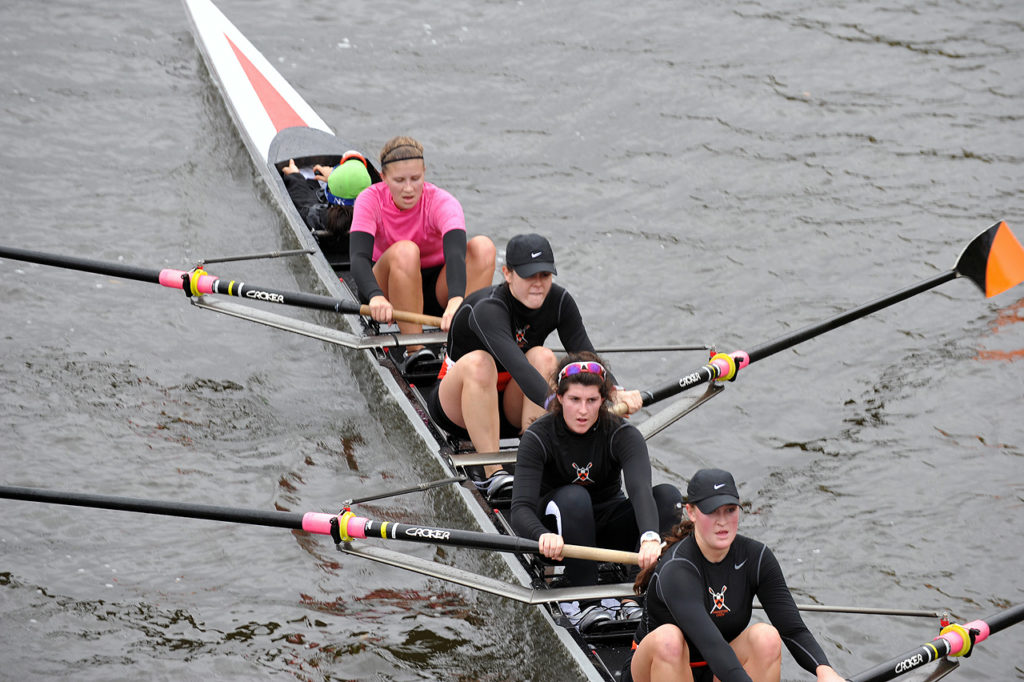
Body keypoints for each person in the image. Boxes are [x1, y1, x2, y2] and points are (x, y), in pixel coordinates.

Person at [426, 233, 645, 499]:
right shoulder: (487, 309)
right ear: (508, 274)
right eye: (529, 276)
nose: (538, 284)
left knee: (544, 356)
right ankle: (493, 473)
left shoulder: (560, 301)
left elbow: (586, 356)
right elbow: (519, 368)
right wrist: (562, 405)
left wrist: (614, 392)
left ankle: (535, 456)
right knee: (480, 363)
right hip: (457, 407)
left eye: (544, 275)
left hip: (508, 407)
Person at [510, 351, 683, 632]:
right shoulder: (538, 437)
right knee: (576, 497)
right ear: (559, 397)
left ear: (603, 400)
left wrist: (650, 536)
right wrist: (541, 536)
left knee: (668, 497)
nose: (583, 410)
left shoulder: (622, 434)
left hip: (606, 531)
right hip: (559, 538)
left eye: (592, 401)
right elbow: (520, 510)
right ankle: (580, 599)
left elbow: (640, 492)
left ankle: (636, 590)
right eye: (574, 400)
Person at [626, 468, 845, 682]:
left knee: (766, 638)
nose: (722, 522)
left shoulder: (757, 557)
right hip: (656, 668)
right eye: (712, 512)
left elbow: (793, 629)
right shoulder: (677, 568)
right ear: (691, 512)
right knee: (669, 640)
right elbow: (712, 645)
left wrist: (824, 671)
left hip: (717, 667)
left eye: (730, 510)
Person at [349, 136, 496, 370]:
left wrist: (457, 297)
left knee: (483, 247)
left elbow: (456, 253)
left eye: (415, 179)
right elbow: (358, 258)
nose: (408, 188)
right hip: (386, 289)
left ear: (424, 173)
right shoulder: (370, 199)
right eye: (399, 180)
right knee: (407, 250)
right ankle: (415, 351)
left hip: (438, 291)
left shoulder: (440, 201)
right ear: (383, 177)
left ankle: (463, 341)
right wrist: (375, 295)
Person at [280, 151, 372, 251]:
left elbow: (302, 200)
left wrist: (295, 176)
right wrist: (337, 179)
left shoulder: (315, 218)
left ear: (329, 193)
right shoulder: (377, 219)